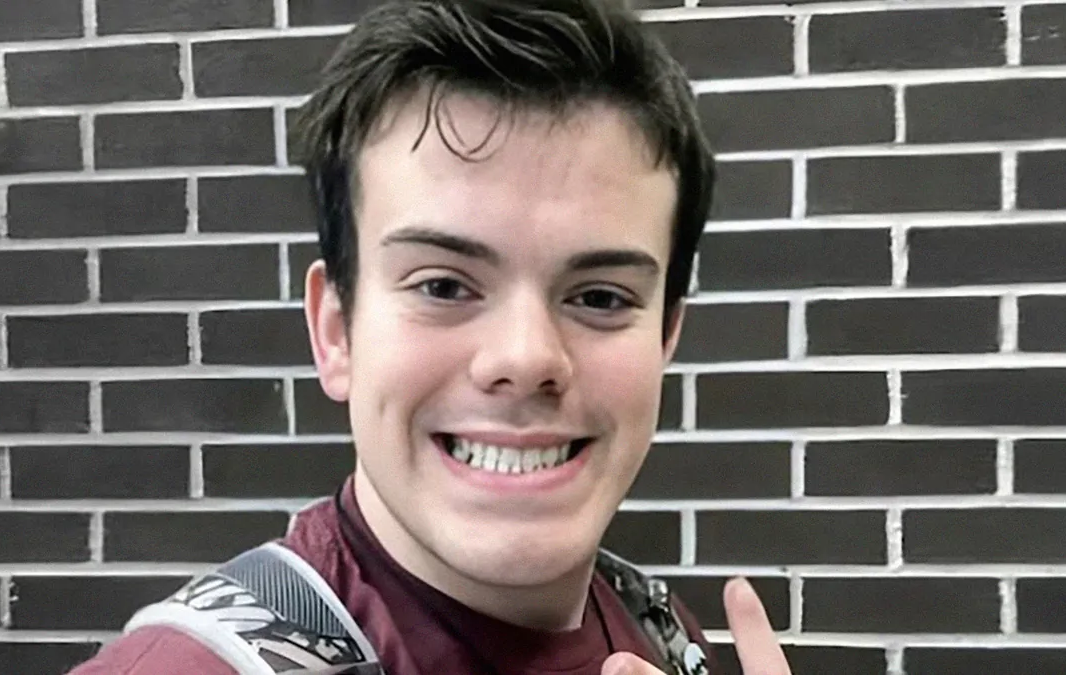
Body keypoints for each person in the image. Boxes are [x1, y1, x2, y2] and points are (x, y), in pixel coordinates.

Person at [68, 1, 791, 673]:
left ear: (665, 337)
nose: (525, 358)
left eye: (600, 297)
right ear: (336, 330)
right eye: (443, 286)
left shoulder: (661, 634)